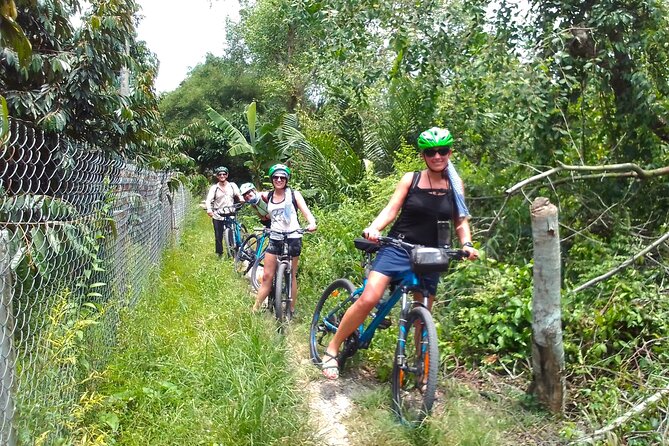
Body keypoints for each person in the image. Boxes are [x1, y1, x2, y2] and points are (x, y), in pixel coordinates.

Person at [320, 127, 479, 380]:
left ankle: (422, 369)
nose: (437, 156)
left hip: (431, 254)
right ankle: (332, 348)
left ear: (450, 152)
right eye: (431, 152)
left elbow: (460, 221)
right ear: (423, 155)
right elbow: (391, 210)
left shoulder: (455, 183)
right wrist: (374, 228)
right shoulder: (411, 179)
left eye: (443, 151)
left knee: (422, 312)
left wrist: (467, 244)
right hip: (398, 246)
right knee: (370, 297)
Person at [252, 163, 317, 313]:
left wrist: (312, 223)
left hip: (293, 236)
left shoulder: (295, 195)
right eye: (276, 177)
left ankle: (291, 309)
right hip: (275, 237)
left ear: (287, 179)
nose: (279, 179)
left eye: (282, 177)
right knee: (268, 275)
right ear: (272, 179)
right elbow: (253, 195)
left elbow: (306, 212)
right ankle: (255, 308)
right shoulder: (268, 196)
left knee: (292, 274)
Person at [205, 166, 243, 257]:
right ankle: (219, 254)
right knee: (218, 236)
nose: (222, 176)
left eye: (224, 174)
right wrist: (209, 209)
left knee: (231, 233)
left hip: (230, 212)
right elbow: (208, 200)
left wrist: (241, 199)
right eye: (220, 174)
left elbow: (238, 194)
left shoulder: (232, 185)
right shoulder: (214, 188)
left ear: (227, 175)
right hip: (218, 214)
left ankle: (233, 252)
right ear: (217, 176)